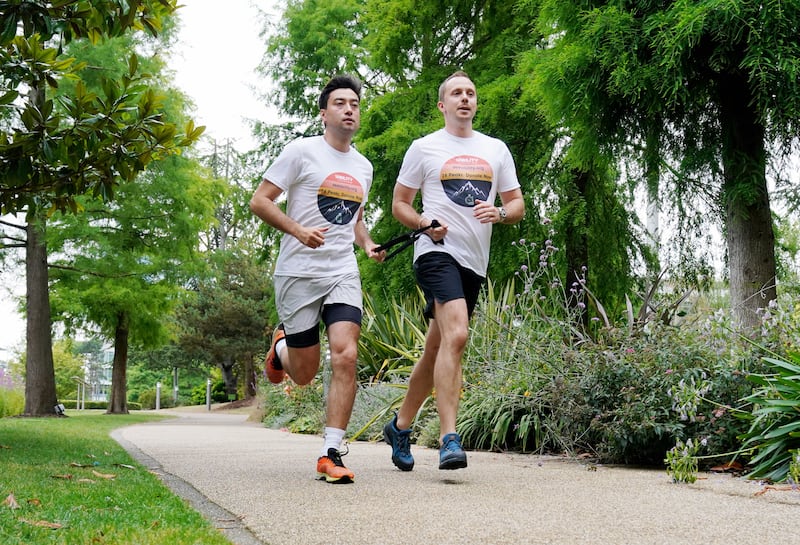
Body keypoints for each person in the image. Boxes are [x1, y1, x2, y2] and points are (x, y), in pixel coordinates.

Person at [383, 71, 525, 471]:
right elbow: (400, 204)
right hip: (435, 251)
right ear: (443, 105)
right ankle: (449, 439)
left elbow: (516, 205)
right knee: (458, 333)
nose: (465, 98)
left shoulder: (496, 150)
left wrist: (498, 212)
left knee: (436, 348)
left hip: (474, 261)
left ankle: (400, 426)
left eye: (471, 93)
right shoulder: (424, 147)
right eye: (456, 93)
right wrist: (423, 223)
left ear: (476, 104)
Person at [250, 74, 384, 484]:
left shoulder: (363, 166)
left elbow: (355, 221)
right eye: (340, 103)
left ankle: (331, 451)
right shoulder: (301, 152)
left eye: (355, 104)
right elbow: (259, 201)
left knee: (345, 354)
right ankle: (282, 347)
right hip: (298, 272)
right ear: (324, 113)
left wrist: (367, 244)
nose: (349, 109)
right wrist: (298, 231)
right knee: (305, 373)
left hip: (341, 269)